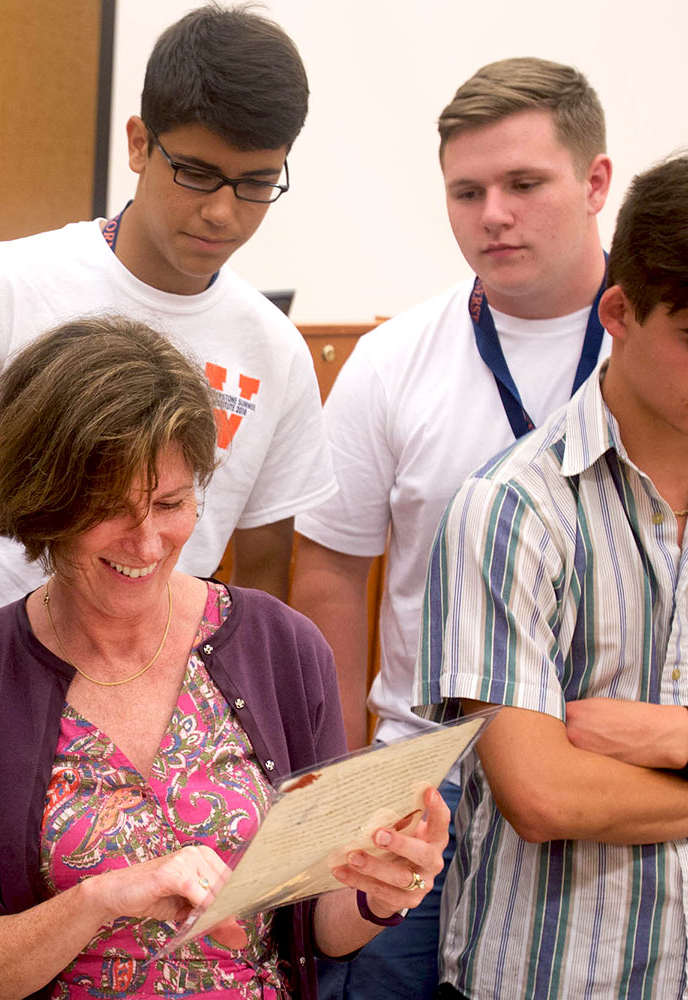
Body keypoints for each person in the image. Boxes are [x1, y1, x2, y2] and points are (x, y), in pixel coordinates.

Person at [0, 316, 447, 1000]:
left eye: (171, 503)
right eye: (109, 510)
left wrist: (382, 887)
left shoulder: (282, 648)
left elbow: (321, 928)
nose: (149, 543)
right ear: (44, 503)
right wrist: (104, 897)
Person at [289, 58, 612, 999]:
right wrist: (341, 789)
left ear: (595, 183)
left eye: (524, 184)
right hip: (419, 784)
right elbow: (330, 577)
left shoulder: (654, 352)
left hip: (598, 777)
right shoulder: (392, 363)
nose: (492, 214)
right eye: (466, 192)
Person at [0, 2, 333, 665]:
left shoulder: (274, 350)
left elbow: (262, 575)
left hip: (160, 704)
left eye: (256, 183)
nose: (222, 212)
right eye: (196, 173)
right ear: (139, 142)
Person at [417, 154, 688, 1000]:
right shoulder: (510, 510)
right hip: (557, 976)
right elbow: (541, 795)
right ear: (620, 312)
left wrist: (671, 739)